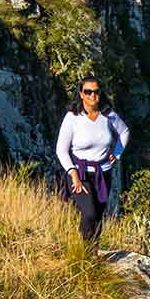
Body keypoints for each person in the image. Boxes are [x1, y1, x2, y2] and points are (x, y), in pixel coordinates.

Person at [55, 76, 129, 242]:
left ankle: (93, 254)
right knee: (89, 214)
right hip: (80, 173)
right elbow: (61, 150)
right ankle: (84, 252)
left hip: (103, 173)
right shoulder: (72, 117)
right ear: (81, 94)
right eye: (88, 92)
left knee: (98, 216)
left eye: (96, 91)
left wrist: (116, 154)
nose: (92, 95)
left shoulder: (109, 115)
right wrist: (73, 174)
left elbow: (125, 132)